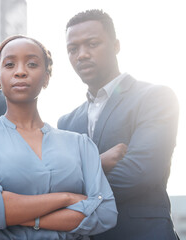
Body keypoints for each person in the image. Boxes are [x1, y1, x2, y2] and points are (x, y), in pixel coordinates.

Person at [0, 35, 117, 240]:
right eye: (9, 64)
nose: (21, 71)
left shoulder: (80, 143)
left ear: (46, 77)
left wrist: (12, 211)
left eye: (32, 64)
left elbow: (105, 214)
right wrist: (66, 198)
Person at [58, 9, 179, 240]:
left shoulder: (156, 97)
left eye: (92, 44)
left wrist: (67, 195)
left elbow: (140, 171)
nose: (82, 54)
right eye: (73, 49)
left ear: (116, 46)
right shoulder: (66, 121)